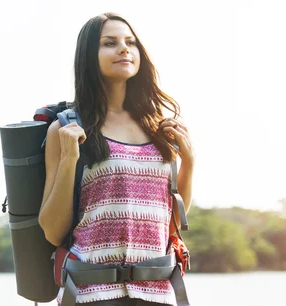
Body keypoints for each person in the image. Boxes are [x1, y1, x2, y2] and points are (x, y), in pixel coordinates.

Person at [38, 12, 194, 306]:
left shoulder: (159, 128)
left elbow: (171, 227)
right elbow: (52, 230)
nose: (124, 49)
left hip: (158, 293)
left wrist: (189, 161)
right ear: (88, 56)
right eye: (109, 43)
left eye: (130, 42)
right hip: (90, 294)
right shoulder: (67, 128)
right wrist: (70, 158)